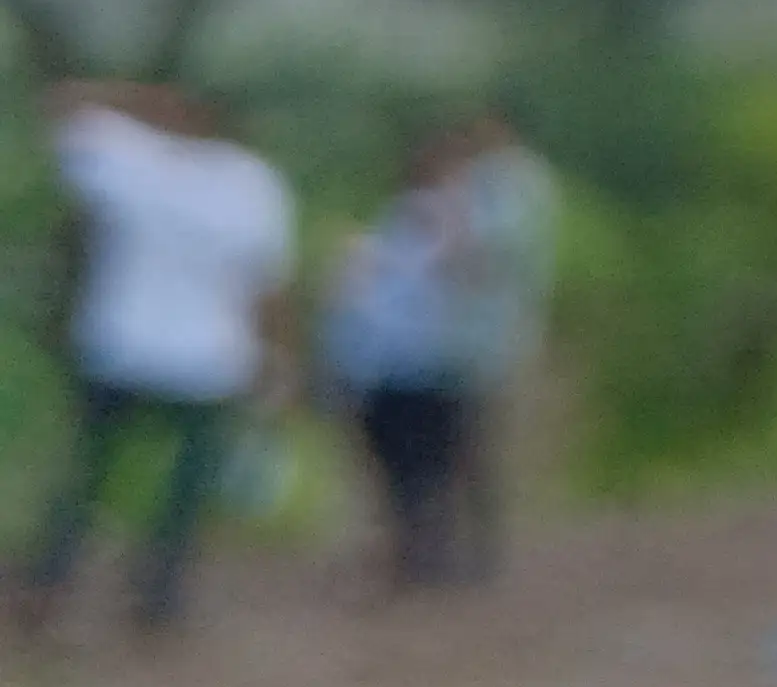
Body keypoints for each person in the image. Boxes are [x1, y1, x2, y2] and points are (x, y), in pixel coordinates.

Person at [20, 80, 299, 635]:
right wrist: (274, 353)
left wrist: (126, 100)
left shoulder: (127, 155)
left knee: (93, 469)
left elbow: (61, 104)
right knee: (177, 482)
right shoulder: (250, 183)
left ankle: (57, 581)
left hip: (125, 348)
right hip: (202, 358)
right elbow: (266, 283)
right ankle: (153, 591)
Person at [321, 128, 483, 590]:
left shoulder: (387, 231)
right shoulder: (402, 230)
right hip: (409, 367)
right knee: (419, 467)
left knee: (410, 468)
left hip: (404, 367)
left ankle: (414, 554)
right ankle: (418, 554)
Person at [442, 109, 555, 578]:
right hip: (463, 335)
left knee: (482, 444)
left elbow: (483, 253)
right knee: (460, 444)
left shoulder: (518, 183)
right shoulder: (479, 179)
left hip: (496, 335)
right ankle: (463, 541)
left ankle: (484, 547)